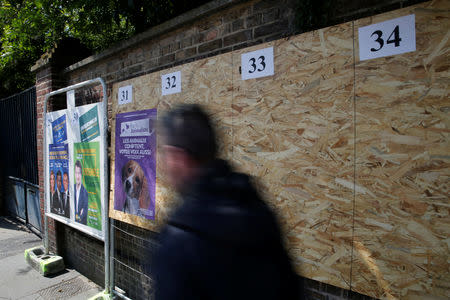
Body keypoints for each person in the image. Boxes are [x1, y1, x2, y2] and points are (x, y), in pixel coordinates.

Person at [153, 104, 300, 300]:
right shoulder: (258, 210)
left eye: (162, 152)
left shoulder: (179, 239)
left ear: (177, 158)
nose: (161, 161)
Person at [74, 160, 88, 225]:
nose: (77, 176)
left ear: (81, 174)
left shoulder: (84, 192)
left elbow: (83, 215)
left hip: (81, 224)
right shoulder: (72, 189)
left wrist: (76, 218)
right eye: (76, 173)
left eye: (79, 173)